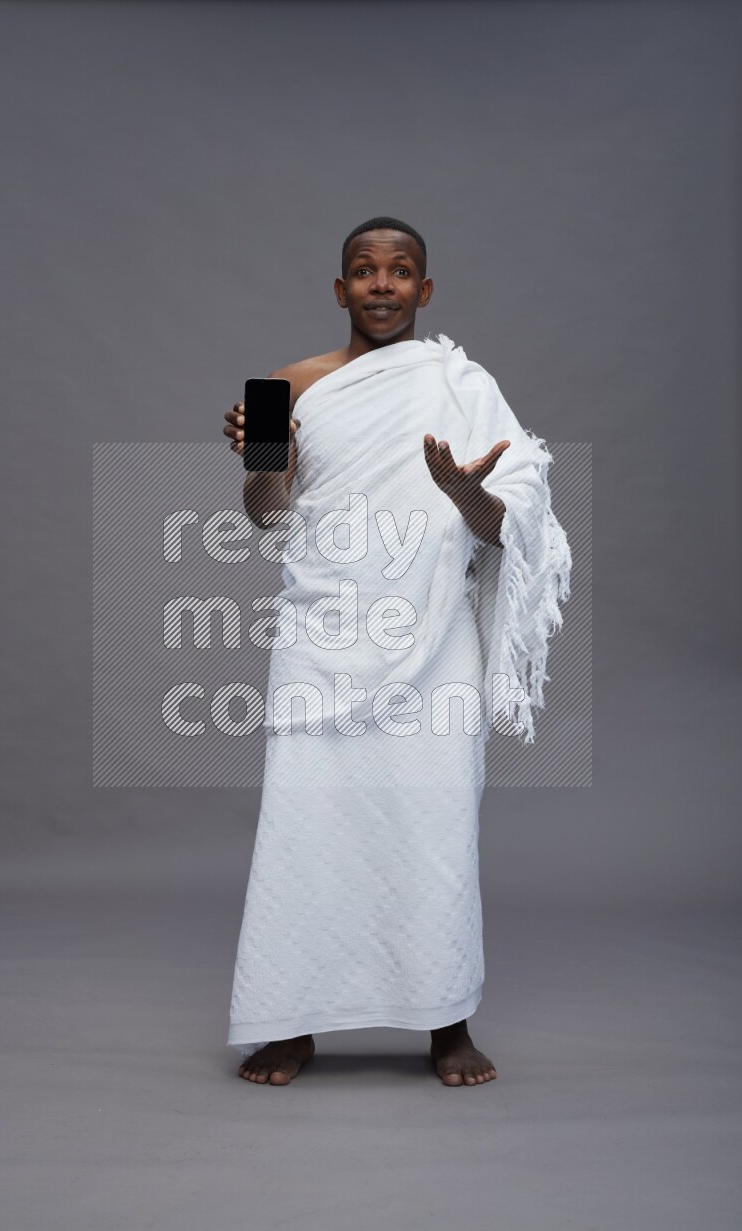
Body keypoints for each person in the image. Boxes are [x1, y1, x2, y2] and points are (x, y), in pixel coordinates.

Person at [222, 216, 571, 1086]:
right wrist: (275, 456)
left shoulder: (462, 386)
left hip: (433, 644)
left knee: (435, 820)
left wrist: (465, 492)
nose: (383, 284)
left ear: (425, 289)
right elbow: (266, 514)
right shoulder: (282, 387)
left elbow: (506, 528)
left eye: (401, 270)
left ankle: (446, 1020)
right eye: (364, 271)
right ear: (340, 289)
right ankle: (290, 1021)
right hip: (322, 634)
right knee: (305, 826)